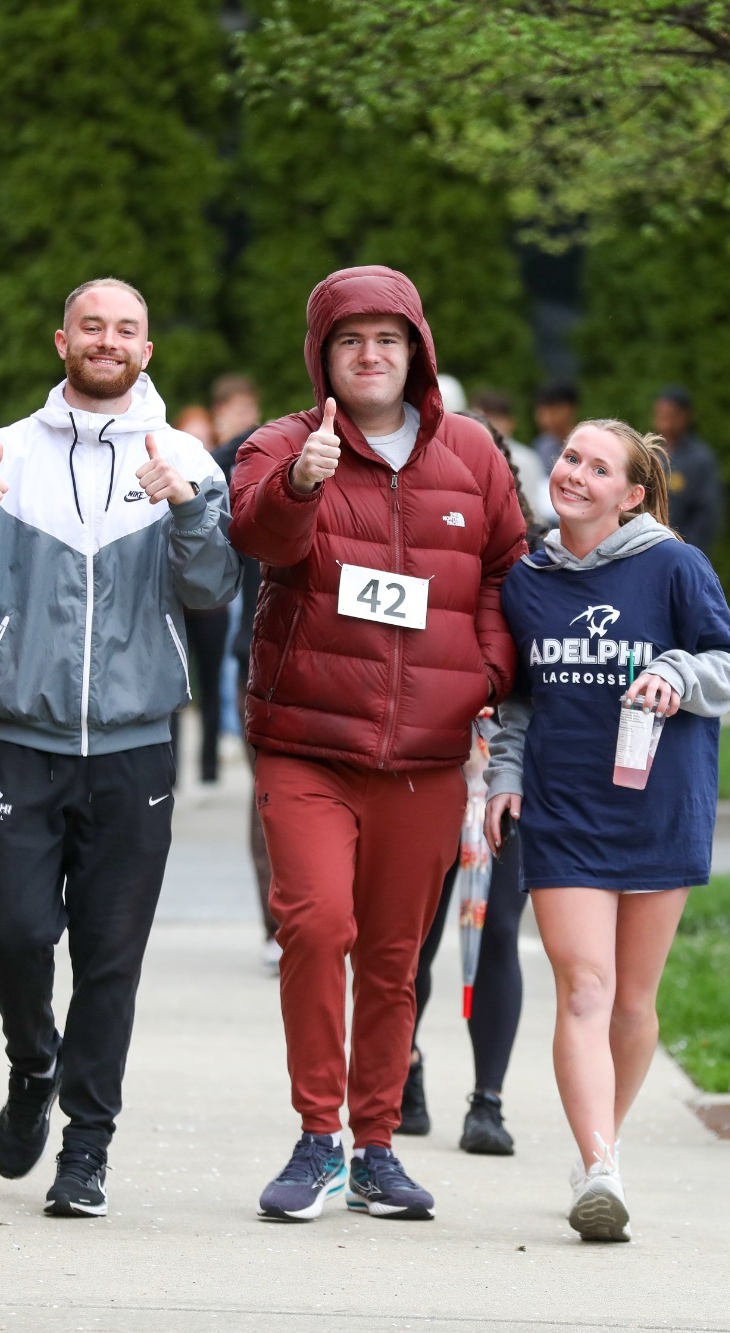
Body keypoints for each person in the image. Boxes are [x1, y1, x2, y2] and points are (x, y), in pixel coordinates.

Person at [0, 277, 239, 1219]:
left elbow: (214, 588)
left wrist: (187, 508)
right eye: (91, 325)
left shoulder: (185, 459)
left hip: (136, 750)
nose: (107, 340)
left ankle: (86, 1148)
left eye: (126, 328)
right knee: (12, 930)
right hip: (21, 740)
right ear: (62, 341)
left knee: (109, 958)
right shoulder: (2, 451)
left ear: (147, 350)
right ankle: (32, 1062)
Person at [230, 265, 526, 1223]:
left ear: (417, 350)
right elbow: (257, 536)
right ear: (322, 356)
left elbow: (506, 570)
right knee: (317, 925)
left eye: (388, 338)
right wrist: (300, 485)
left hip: (428, 757)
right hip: (307, 742)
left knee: (395, 959)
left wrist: (486, 673)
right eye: (350, 340)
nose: (370, 355)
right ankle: (317, 1139)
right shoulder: (283, 444)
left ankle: (376, 1149)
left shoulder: (473, 453)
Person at [484, 418, 730, 1241]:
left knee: (633, 1001)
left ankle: (603, 1144)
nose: (575, 473)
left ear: (631, 494)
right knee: (585, 987)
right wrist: (502, 778)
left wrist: (676, 670)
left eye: (598, 468)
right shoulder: (526, 580)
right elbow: (519, 700)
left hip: (660, 805)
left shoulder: (675, 565)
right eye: (570, 457)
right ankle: (600, 1168)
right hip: (563, 809)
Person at [401, 413, 540, 1154]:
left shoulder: (540, 567)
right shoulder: (408, 541)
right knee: (410, 934)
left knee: (498, 931)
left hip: (508, 766)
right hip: (423, 762)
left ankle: (488, 1102)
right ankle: (403, 1069)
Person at [205, 374, 280, 966]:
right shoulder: (237, 464)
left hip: (321, 659)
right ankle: (278, 929)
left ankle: (322, 919)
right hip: (255, 657)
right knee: (271, 799)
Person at [173, 403, 231, 785]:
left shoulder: (217, 477)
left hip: (211, 609)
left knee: (211, 685)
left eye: (204, 437)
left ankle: (209, 768)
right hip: (174, 604)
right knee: (173, 687)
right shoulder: (164, 472)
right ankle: (171, 769)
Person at [650, 387, 723, 552]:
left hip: (682, 549)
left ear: (684, 417)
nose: (663, 420)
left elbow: (707, 513)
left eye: (669, 415)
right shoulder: (652, 454)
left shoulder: (700, 459)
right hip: (649, 547)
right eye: (660, 414)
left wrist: (686, 549)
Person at [475, 389, 558, 528]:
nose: (487, 425)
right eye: (481, 418)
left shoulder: (525, 459)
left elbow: (532, 507)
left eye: (494, 419)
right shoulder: (471, 453)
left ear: (510, 422)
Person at [532, 382, 579, 472]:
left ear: (568, 409)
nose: (542, 417)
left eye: (551, 410)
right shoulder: (541, 445)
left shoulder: (586, 444)